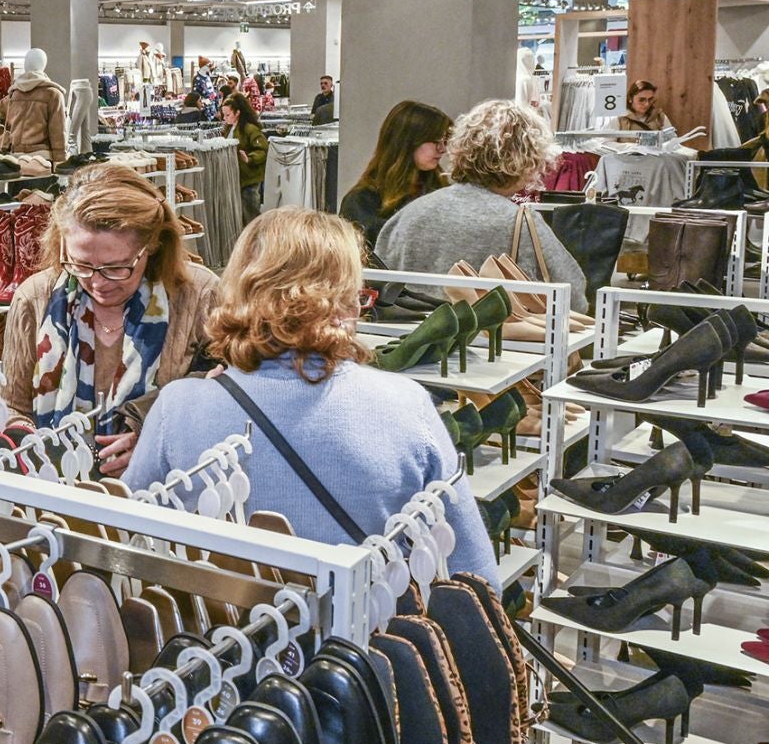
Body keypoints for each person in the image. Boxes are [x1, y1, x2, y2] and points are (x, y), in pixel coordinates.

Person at [126, 208, 500, 585]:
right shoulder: (406, 404)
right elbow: (475, 572)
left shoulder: (178, 407)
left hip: (221, 633)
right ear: (348, 302)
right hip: (362, 636)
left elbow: (126, 539)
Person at [0, 165, 220, 475]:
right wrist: (31, 445)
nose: (97, 282)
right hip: (57, 496)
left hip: (163, 497)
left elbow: (223, 401)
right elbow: (14, 406)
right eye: (80, 264)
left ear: (152, 247)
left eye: (116, 268)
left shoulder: (199, 298)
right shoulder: (36, 298)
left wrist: (156, 438)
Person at [375, 98, 589, 307]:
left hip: (411, 339)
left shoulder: (408, 215)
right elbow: (574, 299)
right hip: (493, 341)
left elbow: (378, 287)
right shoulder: (520, 223)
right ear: (527, 161)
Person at [339, 101, 451, 249]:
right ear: (406, 141)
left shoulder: (442, 191)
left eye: (445, 141)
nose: (442, 149)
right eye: (435, 141)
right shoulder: (361, 201)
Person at [221, 92, 268, 222]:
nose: (225, 118)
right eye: (224, 115)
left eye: (228, 115)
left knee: (251, 216)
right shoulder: (230, 129)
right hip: (238, 179)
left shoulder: (250, 129)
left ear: (237, 113)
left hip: (249, 180)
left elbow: (262, 150)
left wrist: (250, 158)